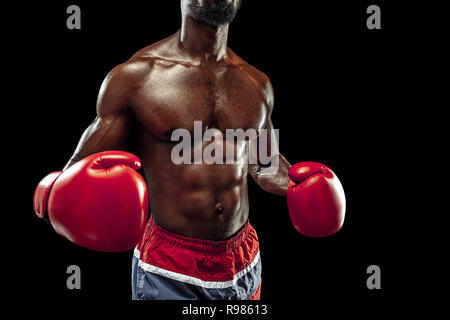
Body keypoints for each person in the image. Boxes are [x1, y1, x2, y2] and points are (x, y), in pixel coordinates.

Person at [34, 0, 345, 300]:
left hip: (243, 259)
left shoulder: (256, 84)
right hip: (171, 265)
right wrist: (52, 194)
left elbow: (263, 164)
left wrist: (297, 184)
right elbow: (72, 176)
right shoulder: (137, 77)